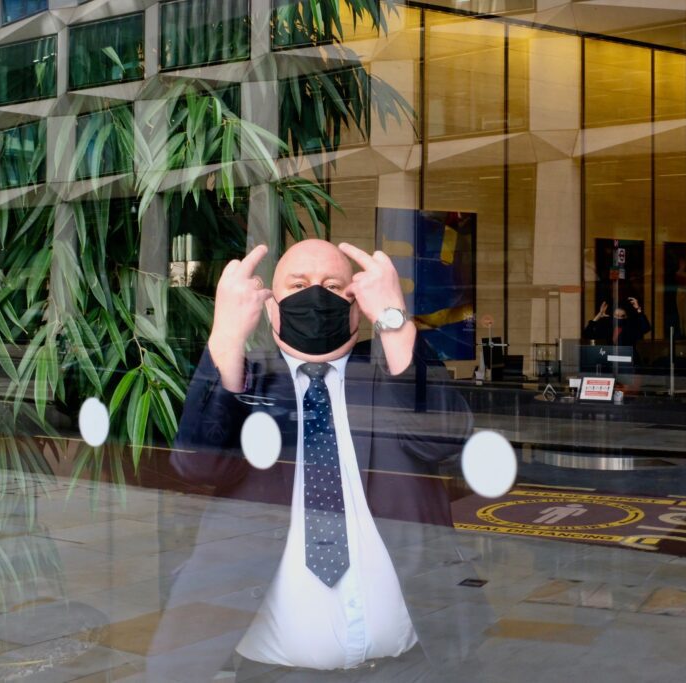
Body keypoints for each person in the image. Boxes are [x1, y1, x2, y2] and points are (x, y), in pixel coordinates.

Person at [166, 239, 474, 679]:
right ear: (272, 309)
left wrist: (393, 318)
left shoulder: (388, 372)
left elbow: (445, 439)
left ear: (356, 304)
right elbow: (198, 465)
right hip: (275, 671)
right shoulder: (249, 381)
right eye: (298, 284)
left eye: (333, 285)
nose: (315, 295)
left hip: (409, 668)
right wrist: (226, 335)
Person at [583, 297, 651, 349]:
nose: (619, 318)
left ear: (626, 316)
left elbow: (646, 328)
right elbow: (587, 334)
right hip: (611, 359)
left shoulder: (630, 327)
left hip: (628, 358)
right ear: (613, 315)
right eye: (616, 316)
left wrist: (638, 309)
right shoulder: (608, 326)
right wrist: (599, 315)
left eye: (622, 316)